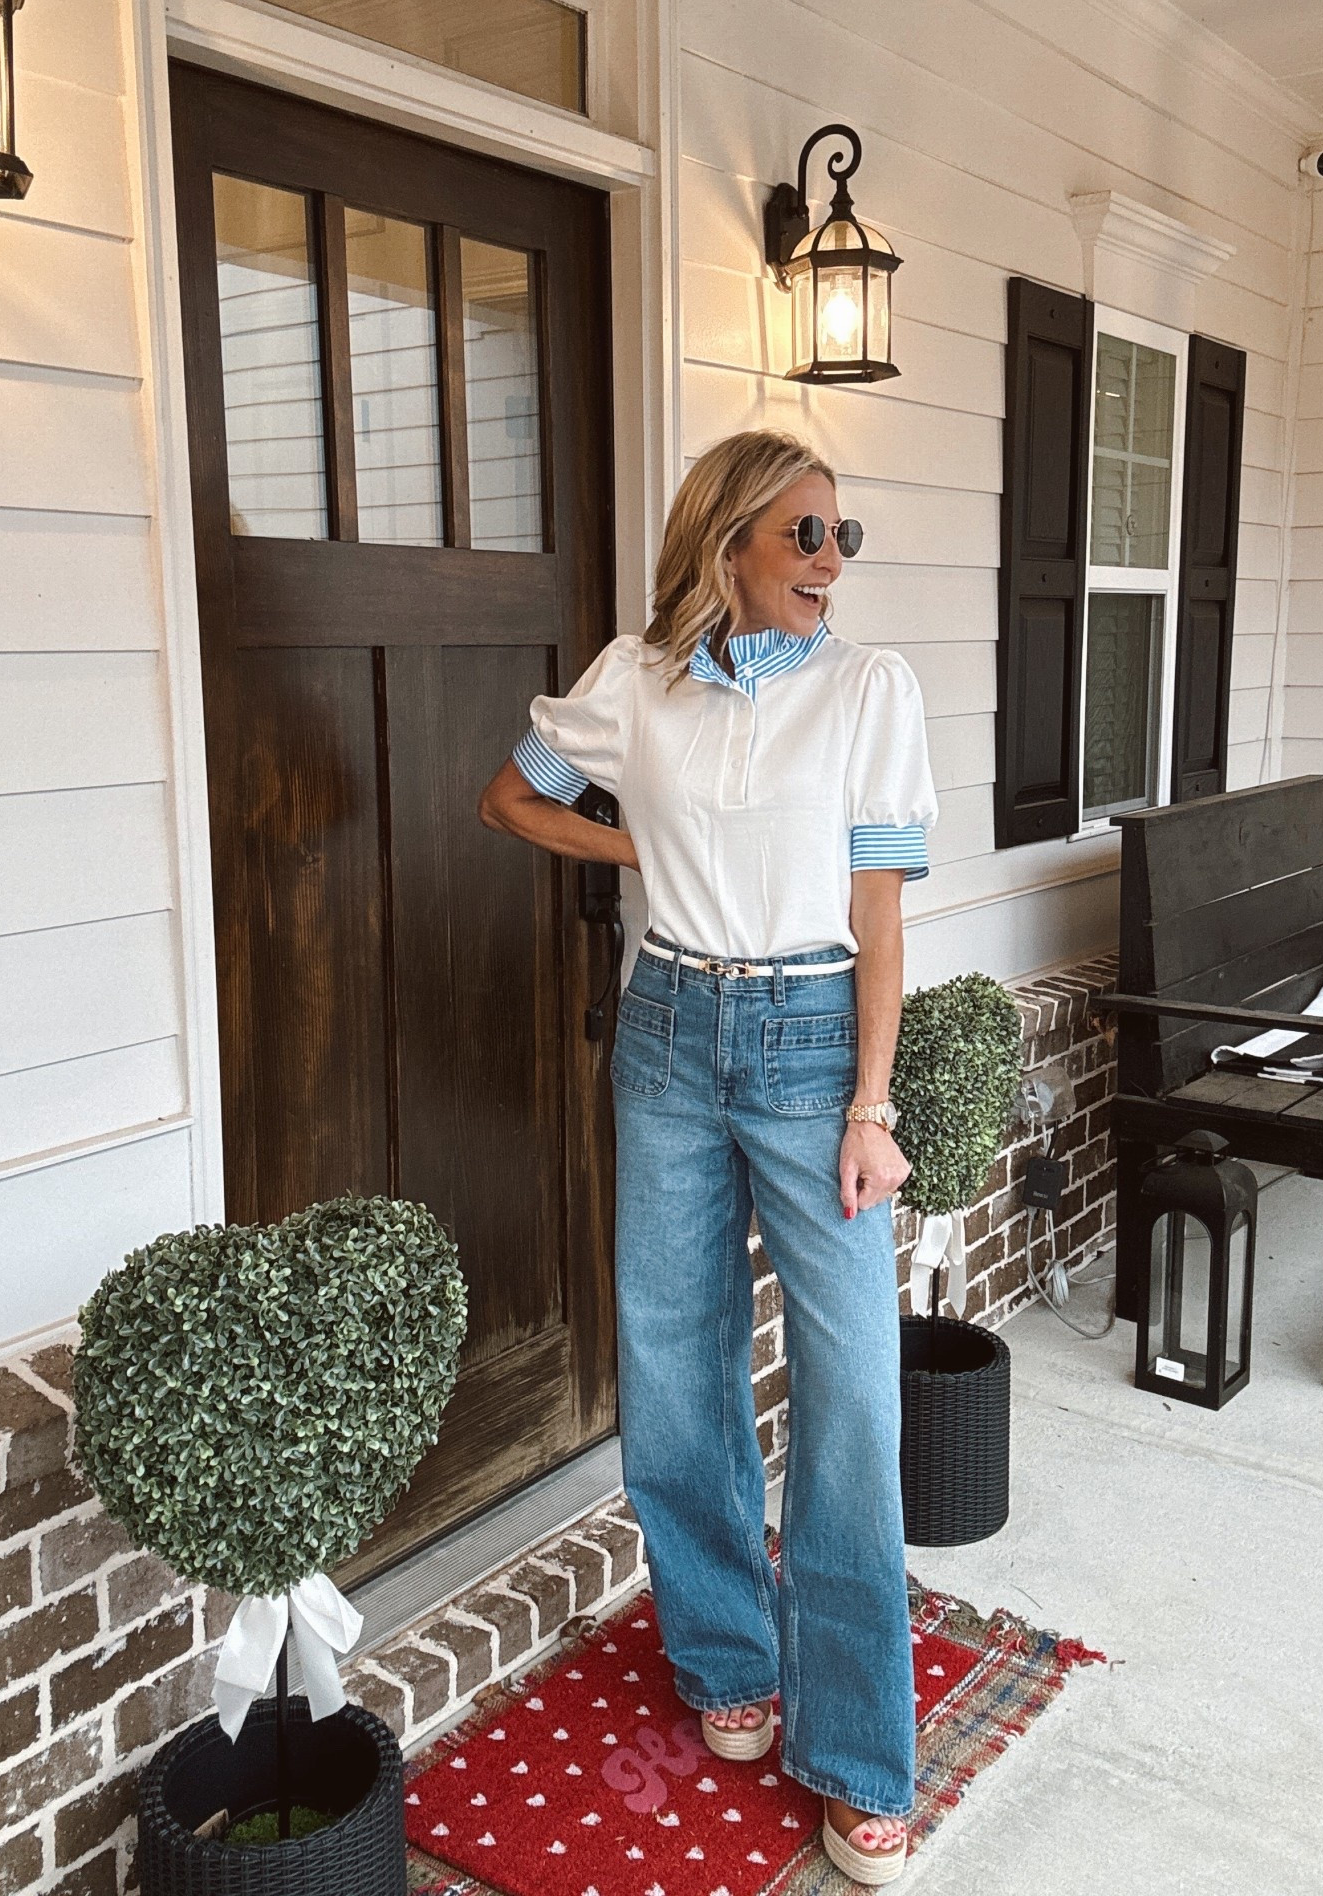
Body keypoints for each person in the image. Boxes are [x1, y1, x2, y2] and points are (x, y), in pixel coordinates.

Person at [479, 428, 937, 1886]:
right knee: (677, 1369)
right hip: (670, 1034)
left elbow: (880, 913)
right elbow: (511, 797)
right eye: (803, 534)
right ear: (725, 542)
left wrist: (873, 1104)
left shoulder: (867, 689)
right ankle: (730, 1655)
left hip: (813, 1045)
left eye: (842, 536)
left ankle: (859, 1754)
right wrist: (650, 855)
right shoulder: (637, 681)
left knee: (851, 1391)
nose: (828, 561)